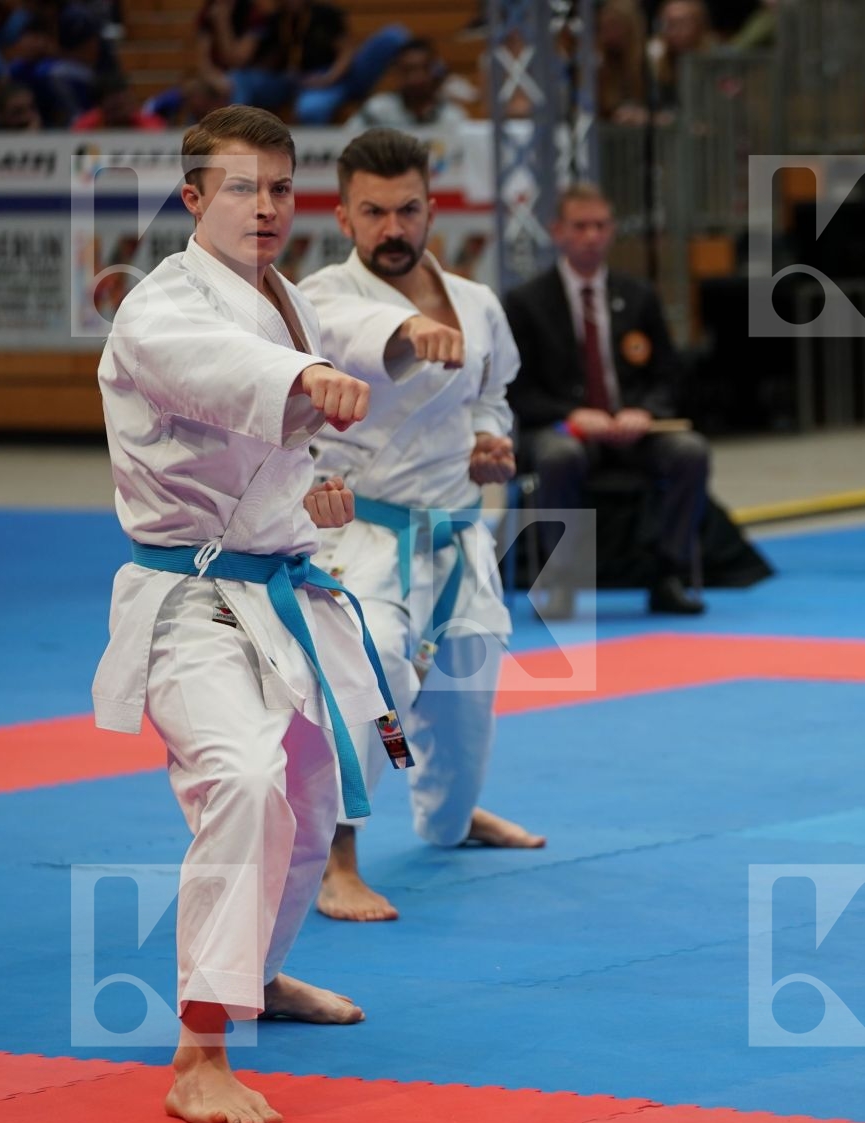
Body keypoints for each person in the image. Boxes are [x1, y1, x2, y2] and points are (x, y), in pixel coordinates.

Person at [92, 105, 406, 1123]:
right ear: (193, 197)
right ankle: (198, 1054)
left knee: (310, 799)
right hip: (187, 599)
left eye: (278, 187)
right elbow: (216, 373)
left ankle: (256, 977)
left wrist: (313, 485)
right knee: (242, 779)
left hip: (278, 590)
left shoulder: (277, 300)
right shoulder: (161, 307)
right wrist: (306, 377)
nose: (265, 207)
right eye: (241, 187)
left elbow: (273, 441)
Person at [298, 128, 545, 923]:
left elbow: (491, 393)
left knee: (468, 684)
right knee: (372, 684)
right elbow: (342, 341)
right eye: (373, 213)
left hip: (459, 531)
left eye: (407, 210)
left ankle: (450, 815)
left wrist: (487, 439)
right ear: (343, 216)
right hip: (367, 537)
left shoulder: (478, 304)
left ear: (432, 208)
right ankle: (338, 857)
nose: (392, 229)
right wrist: (404, 334)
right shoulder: (318, 298)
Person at [503, 182, 708, 618]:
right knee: (558, 455)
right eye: (580, 226)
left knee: (690, 452)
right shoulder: (526, 303)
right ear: (557, 231)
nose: (591, 235)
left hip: (634, 431)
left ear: (612, 231)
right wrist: (571, 415)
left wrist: (646, 411)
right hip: (564, 429)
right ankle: (562, 582)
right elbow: (519, 392)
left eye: (600, 225)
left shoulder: (639, 296)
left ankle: (667, 573)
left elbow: (669, 376)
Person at [221, 0, 411, 125]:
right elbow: (248, 60)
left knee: (394, 34)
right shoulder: (274, 21)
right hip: (293, 80)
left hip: (331, 77)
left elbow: (346, 52)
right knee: (240, 78)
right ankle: (233, 129)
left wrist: (327, 79)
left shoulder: (323, 15)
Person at [343, 37, 467, 130]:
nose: (416, 77)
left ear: (435, 70)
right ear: (397, 71)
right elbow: (345, 140)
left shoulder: (452, 116)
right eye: (408, 70)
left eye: (424, 68)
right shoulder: (377, 110)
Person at [70, 69, 168, 129]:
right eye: (115, 108)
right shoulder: (84, 128)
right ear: (100, 106)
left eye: (125, 106)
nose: (121, 113)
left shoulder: (152, 126)